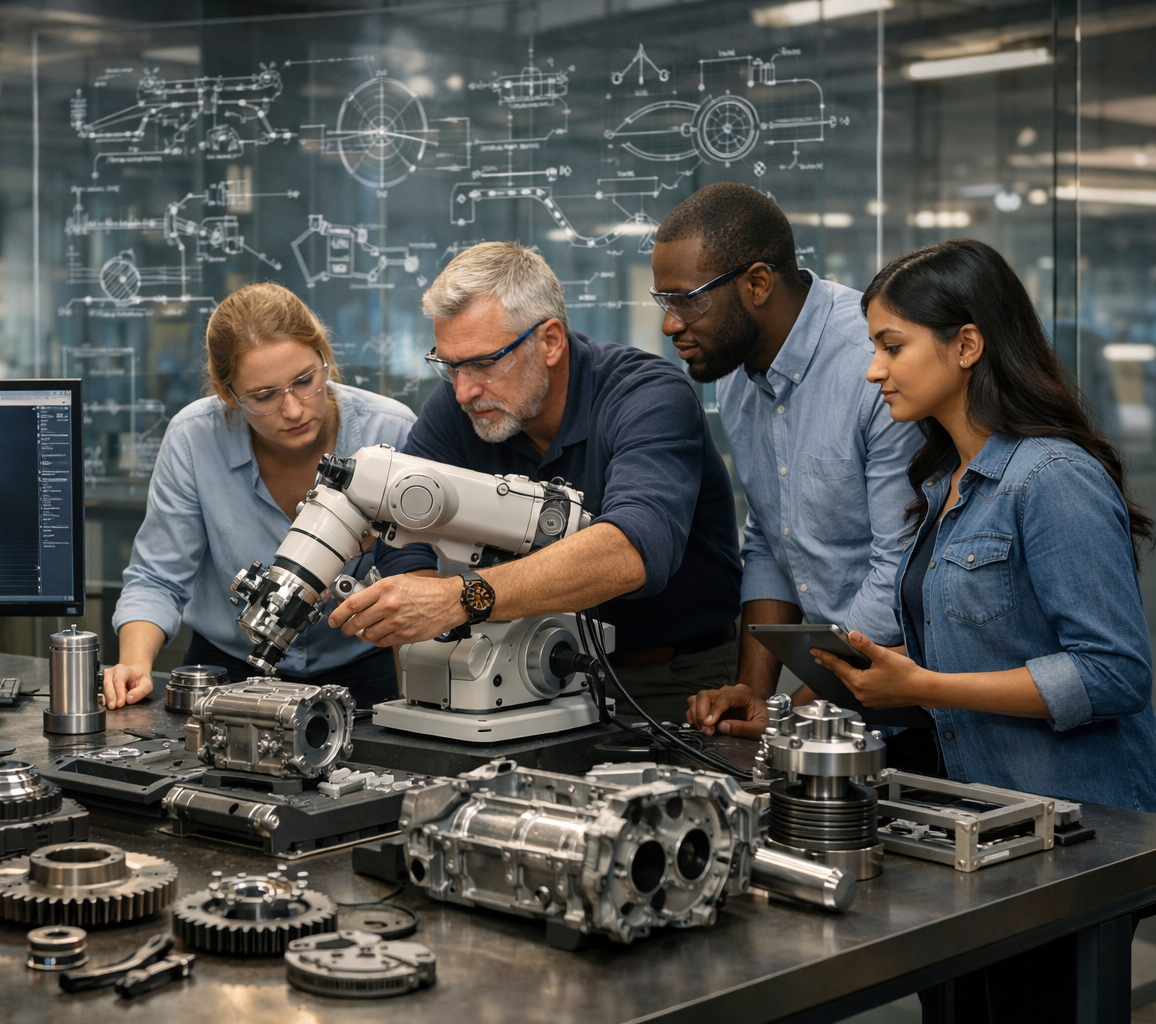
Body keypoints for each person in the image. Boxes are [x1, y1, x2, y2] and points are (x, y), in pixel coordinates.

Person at [807, 239, 1156, 812]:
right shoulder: (943, 482)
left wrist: (927, 686)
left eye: (893, 347)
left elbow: (1114, 673)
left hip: (1086, 822)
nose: (874, 371)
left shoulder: (1052, 476)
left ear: (967, 345)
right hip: (992, 814)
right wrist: (896, 674)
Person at [327, 242, 743, 719]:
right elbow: (404, 530)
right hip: (518, 670)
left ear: (550, 341)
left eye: (484, 363)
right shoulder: (461, 408)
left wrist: (459, 598)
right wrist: (421, 619)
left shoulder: (647, 397)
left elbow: (632, 552)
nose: (463, 391)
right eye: (449, 365)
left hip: (668, 678)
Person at [649, 183, 933, 770]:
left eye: (687, 301)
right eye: (662, 301)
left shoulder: (873, 368)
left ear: (757, 284)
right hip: (830, 703)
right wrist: (753, 692)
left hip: (915, 701)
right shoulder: (735, 373)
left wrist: (788, 712)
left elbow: (900, 572)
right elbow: (771, 540)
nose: (669, 324)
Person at [105, 283, 416, 708]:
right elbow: (157, 578)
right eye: (264, 396)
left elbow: (419, 576)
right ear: (226, 394)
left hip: (360, 668)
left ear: (324, 357)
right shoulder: (194, 439)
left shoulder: (391, 431)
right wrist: (135, 665)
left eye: (305, 381)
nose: (293, 409)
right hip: (228, 668)